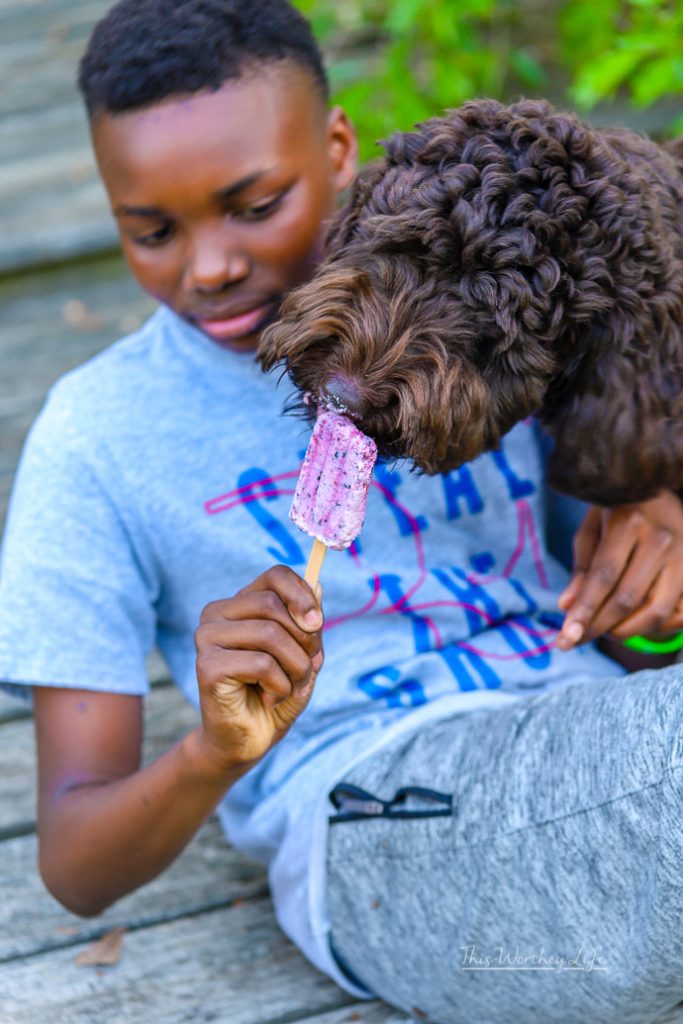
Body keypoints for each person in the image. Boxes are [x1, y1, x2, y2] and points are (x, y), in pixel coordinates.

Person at [1, 2, 683, 1020]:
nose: (210, 264)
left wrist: (658, 518)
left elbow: (628, 629)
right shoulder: (96, 438)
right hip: (383, 818)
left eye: (255, 204)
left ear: (336, 149)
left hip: (601, 725)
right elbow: (75, 863)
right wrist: (214, 750)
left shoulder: (492, 292)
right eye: (151, 231)